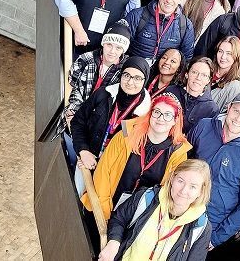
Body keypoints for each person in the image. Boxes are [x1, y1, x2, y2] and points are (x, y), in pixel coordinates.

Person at [81, 92, 192, 220]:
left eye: (168, 115)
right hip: (102, 209)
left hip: (137, 220)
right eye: (157, 112)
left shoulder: (178, 154)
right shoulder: (125, 136)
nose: (161, 118)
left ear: (175, 120)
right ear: (150, 114)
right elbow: (103, 174)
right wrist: (105, 214)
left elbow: (168, 193)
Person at [187, 91, 240, 251]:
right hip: (182, 203)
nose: (238, 119)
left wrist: (216, 238)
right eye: (236, 111)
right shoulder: (204, 126)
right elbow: (180, 157)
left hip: (209, 223)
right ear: (228, 108)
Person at [99, 159, 212, 261]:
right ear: (172, 178)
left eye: (193, 187)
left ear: (201, 192)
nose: (183, 191)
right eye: (180, 181)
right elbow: (119, 218)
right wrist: (114, 241)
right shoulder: (147, 197)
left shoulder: (201, 227)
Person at [57, 23, 131, 167]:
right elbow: (75, 86)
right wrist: (73, 109)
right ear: (103, 43)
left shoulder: (125, 72)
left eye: (118, 48)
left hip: (98, 126)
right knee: (70, 155)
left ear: (123, 50)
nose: (112, 51)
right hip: (78, 117)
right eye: (109, 45)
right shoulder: (86, 59)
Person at [71, 56, 152, 169]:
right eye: (126, 75)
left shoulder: (145, 113)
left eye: (137, 78)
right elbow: (78, 122)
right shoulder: (102, 94)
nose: (130, 82)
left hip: (113, 170)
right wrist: (83, 150)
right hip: (88, 159)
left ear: (145, 80)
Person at [124, 0, 195, 63]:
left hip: (162, 75)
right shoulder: (137, 15)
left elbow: (185, 60)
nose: (169, 0)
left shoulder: (186, 25)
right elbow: (121, 47)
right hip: (135, 71)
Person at [166, 57, 219, 133]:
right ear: (187, 74)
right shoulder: (171, 92)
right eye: (194, 72)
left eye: (204, 75)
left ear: (208, 80)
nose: (198, 78)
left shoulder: (211, 109)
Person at [210, 36, 240, 111]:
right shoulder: (207, 69)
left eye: (229, 53)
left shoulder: (235, 86)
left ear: (236, 56)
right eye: (220, 51)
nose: (223, 56)